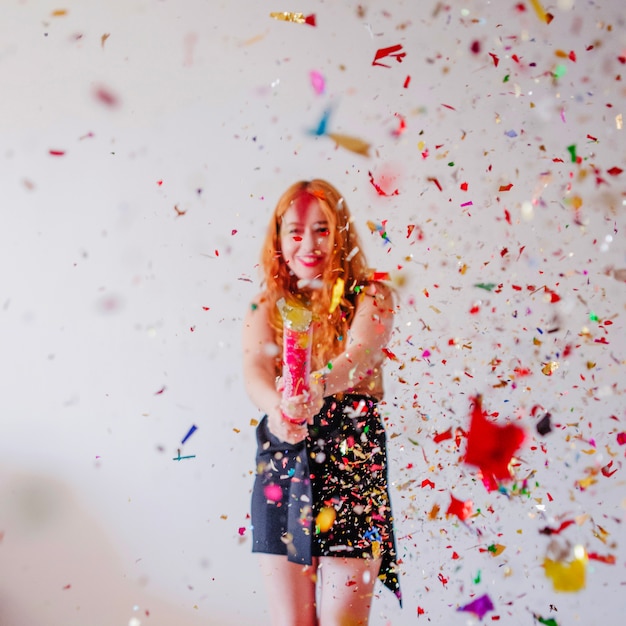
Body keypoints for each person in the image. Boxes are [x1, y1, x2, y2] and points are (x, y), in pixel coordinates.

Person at [242, 179, 401, 626]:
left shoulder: (370, 295)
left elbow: (361, 356)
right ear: (278, 238)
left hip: (352, 454)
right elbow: (255, 367)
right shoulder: (266, 305)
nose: (308, 244)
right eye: (295, 231)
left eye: (322, 229)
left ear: (341, 234)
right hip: (282, 451)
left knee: (342, 622)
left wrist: (318, 386)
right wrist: (278, 407)